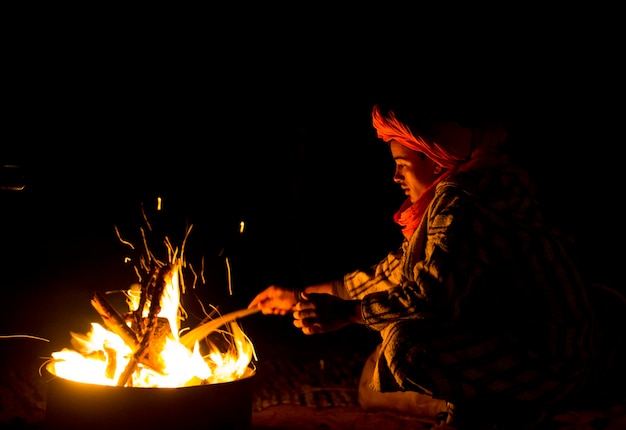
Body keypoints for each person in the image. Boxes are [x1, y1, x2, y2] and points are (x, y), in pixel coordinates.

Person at [247, 100, 602, 428]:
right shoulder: (457, 193)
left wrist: (348, 313)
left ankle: (502, 412)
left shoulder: (461, 201)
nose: (396, 178)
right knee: (377, 368)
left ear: (435, 161)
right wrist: (296, 296)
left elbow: (430, 297)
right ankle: (490, 406)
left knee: (403, 346)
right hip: (527, 346)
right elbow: (389, 275)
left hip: (552, 359)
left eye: (402, 165)